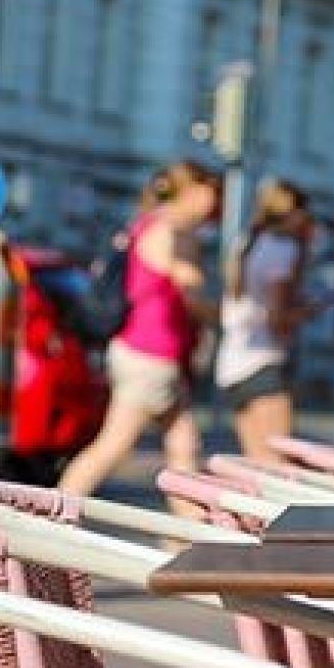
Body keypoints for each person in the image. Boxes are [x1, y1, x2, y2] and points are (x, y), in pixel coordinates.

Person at [58, 160, 220, 500]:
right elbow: (193, 294)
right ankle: (50, 519)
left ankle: (186, 541)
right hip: (150, 356)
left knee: (184, 447)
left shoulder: (148, 223)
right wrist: (232, 316)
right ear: (190, 192)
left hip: (150, 354)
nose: (214, 204)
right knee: (113, 446)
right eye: (210, 194)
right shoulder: (172, 232)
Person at [216, 179, 318, 460]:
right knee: (279, 464)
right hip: (263, 362)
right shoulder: (283, 249)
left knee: (257, 464)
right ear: (294, 212)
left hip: (232, 364)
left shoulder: (247, 241)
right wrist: (310, 311)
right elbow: (277, 318)